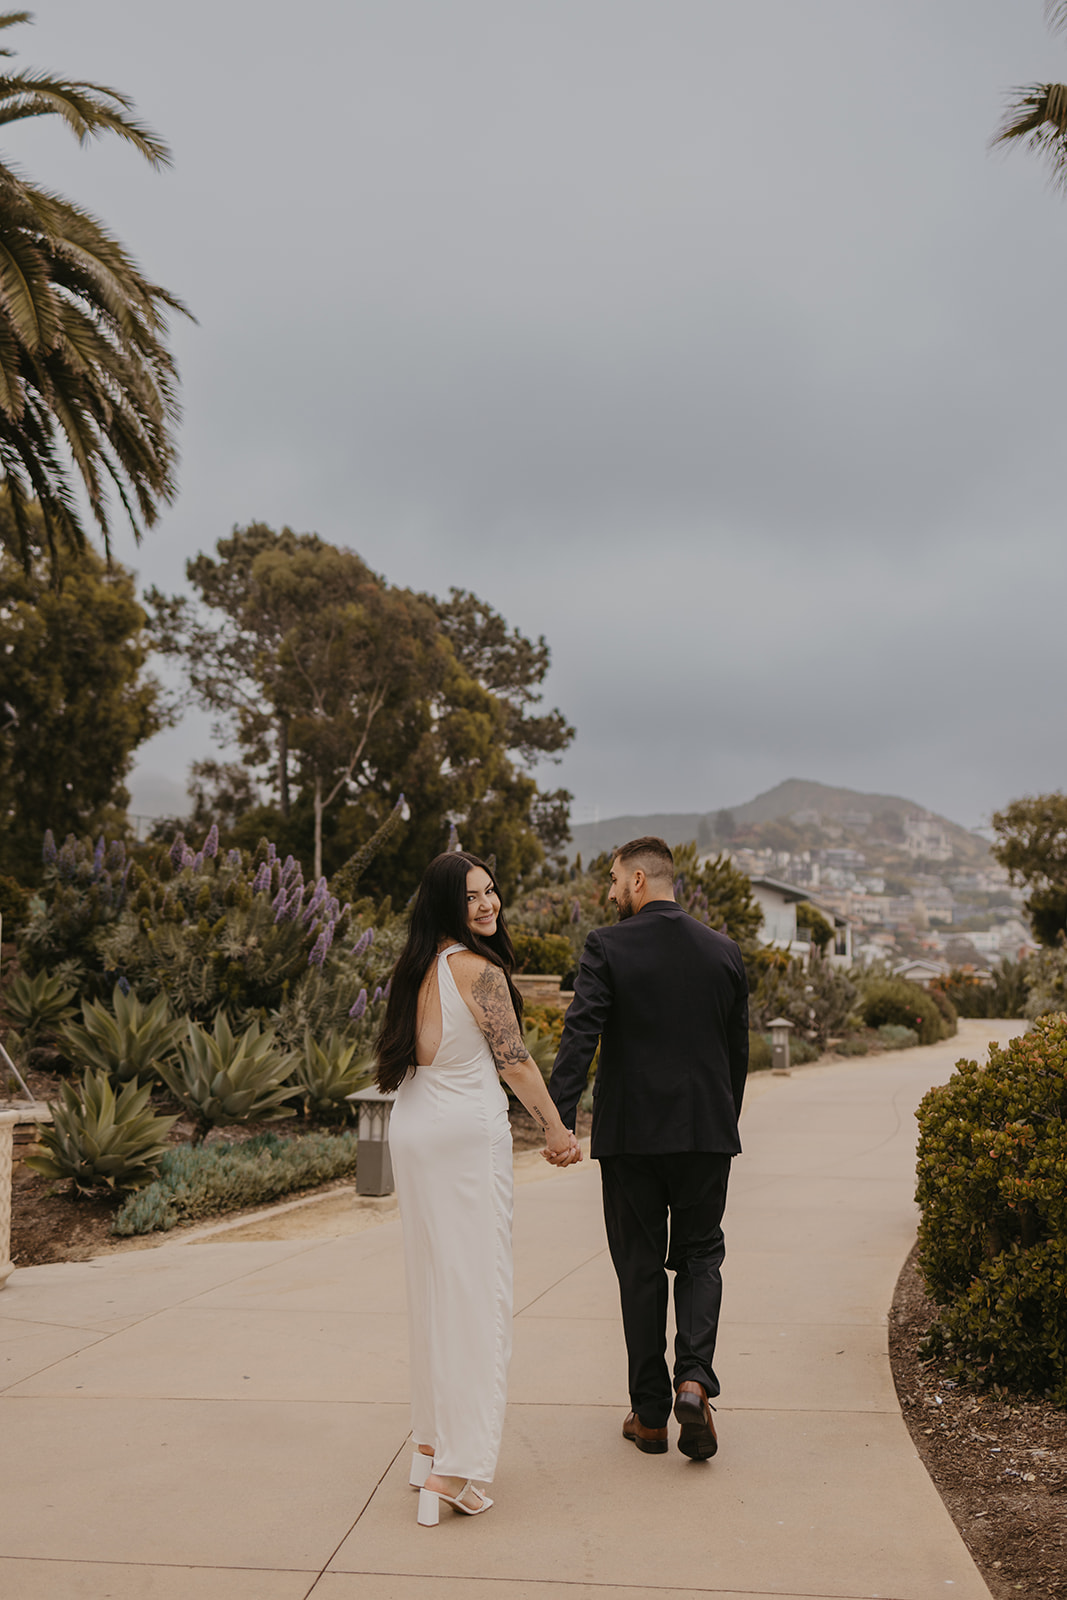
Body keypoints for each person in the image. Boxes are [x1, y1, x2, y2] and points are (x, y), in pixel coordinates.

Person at [377, 850, 581, 1527]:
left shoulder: (415, 970)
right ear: (444, 905)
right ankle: (455, 1470)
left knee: (435, 1290)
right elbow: (515, 1063)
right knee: (477, 1297)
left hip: (415, 1128)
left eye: (491, 892)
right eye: (470, 897)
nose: (487, 905)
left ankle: (431, 1444)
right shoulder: (478, 971)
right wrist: (556, 1131)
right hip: (463, 1138)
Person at [548, 836, 748, 1461]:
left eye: (613, 880)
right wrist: (718, 1124)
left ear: (638, 880)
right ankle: (693, 1379)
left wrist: (558, 1117)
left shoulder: (608, 946)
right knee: (700, 1256)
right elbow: (735, 1057)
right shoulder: (724, 952)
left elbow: (582, 1032)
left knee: (638, 1267)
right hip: (704, 1135)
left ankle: (651, 1414)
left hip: (632, 1138)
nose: (610, 893)